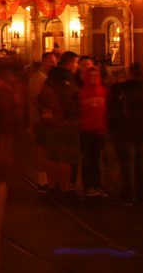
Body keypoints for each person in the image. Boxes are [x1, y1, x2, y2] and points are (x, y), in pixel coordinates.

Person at [113, 62, 143, 206]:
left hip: (127, 129)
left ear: (130, 73)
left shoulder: (123, 89)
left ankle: (127, 196)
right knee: (142, 163)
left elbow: (115, 106)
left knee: (128, 164)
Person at [38, 51, 80, 195]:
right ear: (68, 63)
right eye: (75, 62)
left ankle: (51, 186)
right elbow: (70, 101)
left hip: (50, 122)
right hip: (65, 123)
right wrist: (72, 116)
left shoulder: (50, 77)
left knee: (52, 156)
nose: (77, 66)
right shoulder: (67, 79)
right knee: (65, 158)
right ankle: (64, 188)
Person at [28, 51, 57, 189]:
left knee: (48, 149)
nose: (54, 64)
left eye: (55, 61)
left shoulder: (49, 77)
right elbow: (34, 99)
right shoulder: (37, 77)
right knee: (42, 149)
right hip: (40, 119)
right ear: (44, 62)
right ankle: (42, 180)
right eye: (50, 61)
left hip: (48, 118)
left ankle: (48, 178)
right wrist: (37, 117)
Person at [78, 66, 109, 196]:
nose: (93, 78)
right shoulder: (82, 92)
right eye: (91, 76)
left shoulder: (105, 91)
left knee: (97, 159)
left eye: (96, 76)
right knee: (88, 159)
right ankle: (89, 186)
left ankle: (98, 185)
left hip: (100, 130)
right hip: (86, 130)